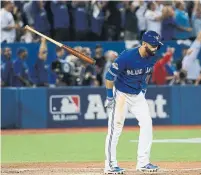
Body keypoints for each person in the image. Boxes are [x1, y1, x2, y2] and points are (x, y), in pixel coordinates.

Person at [104, 31, 163, 174]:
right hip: (121, 95)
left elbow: (146, 75)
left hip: (137, 95)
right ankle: (110, 165)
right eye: (153, 45)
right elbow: (109, 76)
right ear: (144, 44)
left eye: (157, 46)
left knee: (147, 123)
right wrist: (109, 97)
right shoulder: (127, 56)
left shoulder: (152, 57)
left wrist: (143, 89)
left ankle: (143, 162)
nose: (155, 48)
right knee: (115, 129)